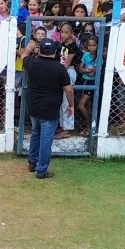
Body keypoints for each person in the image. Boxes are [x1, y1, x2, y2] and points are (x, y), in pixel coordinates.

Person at [23, 38, 72, 179]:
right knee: (46, 139)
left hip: (33, 105)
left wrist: (29, 47)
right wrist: (71, 105)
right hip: (50, 108)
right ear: (55, 52)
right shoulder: (59, 68)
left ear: (40, 50)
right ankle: (42, 170)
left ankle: (32, 162)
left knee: (36, 133)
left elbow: (24, 55)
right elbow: (69, 90)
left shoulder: (32, 62)